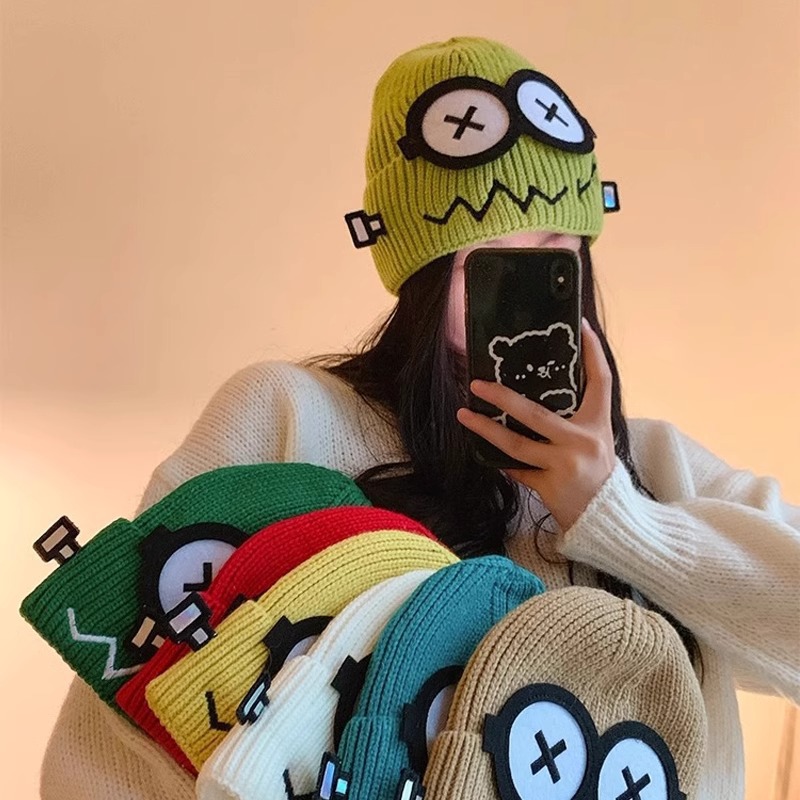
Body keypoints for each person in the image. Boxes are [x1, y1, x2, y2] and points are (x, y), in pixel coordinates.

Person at [40, 36, 798, 800]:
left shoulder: (660, 469)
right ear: (422, 277)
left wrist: (617, 517)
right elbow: (110, 745)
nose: (519, 303)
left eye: (550, 254)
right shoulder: (287, 418)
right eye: (485, 264)